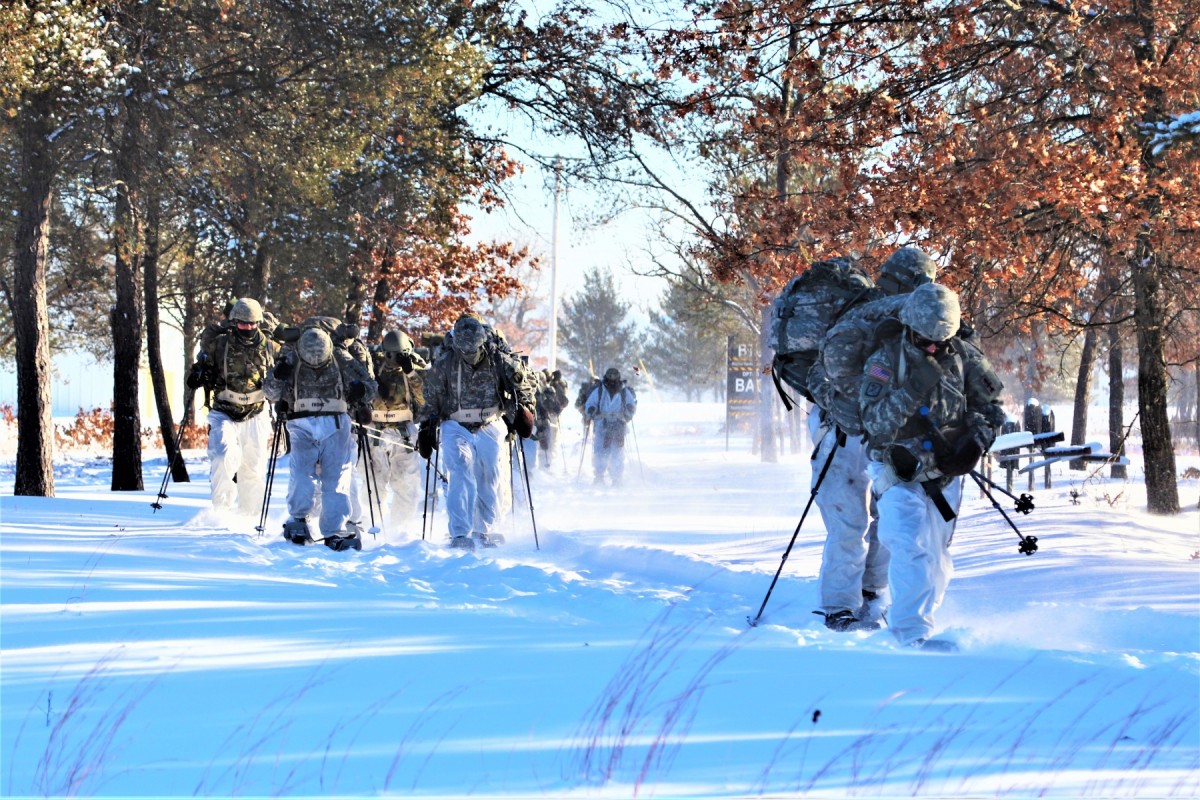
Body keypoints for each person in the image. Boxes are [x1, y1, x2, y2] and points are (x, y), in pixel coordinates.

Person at [859, 283, 1005, 651]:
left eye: (940, 343)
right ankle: (909, 635)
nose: (932, 349)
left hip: (945, 473)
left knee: (937, 559)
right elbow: (873, 420)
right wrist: (911, 390)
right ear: (909, 327)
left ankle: (917, 620)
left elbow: (991, 408)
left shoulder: (965, 358)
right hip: (897, 471)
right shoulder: (884, 361)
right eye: (925, 341)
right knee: (909, 546)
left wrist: (974, 443)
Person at [806, 247, 938, 631]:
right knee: (861, 519)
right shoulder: (869, 318)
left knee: (870, 518)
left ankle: (861, 600)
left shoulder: (883, 318)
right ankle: (844, 606)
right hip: (850, 431)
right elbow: (824, 373)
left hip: (864, 433)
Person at [416, 313, 536, 550]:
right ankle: (460, 532)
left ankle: (484, 530)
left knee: (489, 475)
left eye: (474, 351)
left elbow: (525, 384)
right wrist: (427, 426)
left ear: (482, 343)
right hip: (455, 422)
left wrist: (525, 411)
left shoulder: (499, 360)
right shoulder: (445, 363)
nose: (469, 356)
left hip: (490, 420)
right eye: (464, 351)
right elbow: (431, 396)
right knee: (459, 470)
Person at [265, 327, 376, 551]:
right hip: (301, 422)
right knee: (302, 473)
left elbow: (371, 387)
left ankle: (335, 528)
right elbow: (270, 392)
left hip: (335, 422)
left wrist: (359, 390)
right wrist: (279, 375)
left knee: (337, 477)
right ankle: (298, 517)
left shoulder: (341, 358)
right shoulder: (291, 358)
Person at [186, 297, 277, 518]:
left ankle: (249, 515)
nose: (248, 328)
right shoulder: (220, 344)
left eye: (252, 324)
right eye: (243, 324)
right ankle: (221, 511)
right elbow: (202, 369)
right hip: (224, 410)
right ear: (234, 322)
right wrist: (198, 375)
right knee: (222, 455)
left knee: (253, 468)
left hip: (256, 412)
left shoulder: (270, 347)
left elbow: (281, 378)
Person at [365, 330, 427, 536]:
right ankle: (373, 525)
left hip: (404, 433)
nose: (393, 360)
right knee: (374, 484)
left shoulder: (415, 370)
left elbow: (425, 398)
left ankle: (401, 529)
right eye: (390, 355)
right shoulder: (373, 366)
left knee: (406, 484)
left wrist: (410, 372)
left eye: (398, 355)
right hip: (375, 431)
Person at [584, 367, 637, 486]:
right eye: (610, 378)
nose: (612, 381)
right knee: (600, 451)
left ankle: (616, 478)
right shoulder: (599, 390)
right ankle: (599, 476)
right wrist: (591, 409)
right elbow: (590, 403)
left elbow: (631, 404)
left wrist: (629, 410)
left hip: (619, 423)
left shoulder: (624, 391)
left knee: (617, 452)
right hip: (602, 424)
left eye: (614, 378)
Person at [537, 369, 570, 470]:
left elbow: (563, 401)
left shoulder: (552, 387)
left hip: (551, 418)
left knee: (550, 442)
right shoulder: (546, 388)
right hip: (546, 417)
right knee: (547, 442)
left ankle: (549, 465)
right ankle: (546, 465)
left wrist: (556, 410)